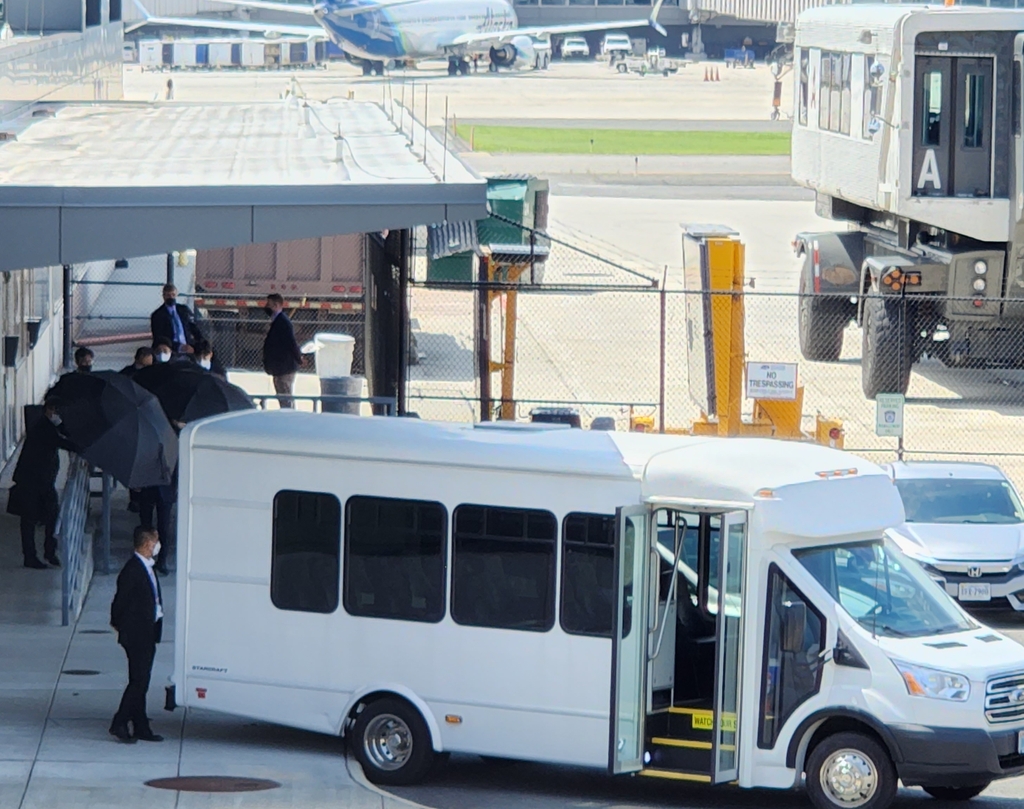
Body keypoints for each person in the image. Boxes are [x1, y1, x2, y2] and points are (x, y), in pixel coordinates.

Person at [109, 526, 164, 744]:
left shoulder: (147, 567)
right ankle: (120, 721)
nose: (158, 545)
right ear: (147, 543)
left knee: (142, 680)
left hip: (148, 632)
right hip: (137, 635)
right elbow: (119, 603)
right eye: (155, 541)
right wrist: (123, 627)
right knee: (138, 681)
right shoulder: (132, 570)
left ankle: (141, 725)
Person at [7, 398, 75, 569]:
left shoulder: (47, 426)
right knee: (30, 519)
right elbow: (64, 442)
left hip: (42, 481)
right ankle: (33, 556)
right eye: (55, 412)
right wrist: (84, 449)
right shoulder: (43, 428)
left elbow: (64, 433)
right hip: (32, 481)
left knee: (50, 515)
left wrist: (61, 425)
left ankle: (48, 552)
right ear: (48, 411)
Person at [262, 293, 303, 409]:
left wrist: (299, 359)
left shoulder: (283, 322)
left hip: (285, 367)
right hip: (280, 366)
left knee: (285, 394)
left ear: (276, 305)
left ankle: (290, 416)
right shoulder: (278, 321)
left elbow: (291, 343)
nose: (266, 307)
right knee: (282, 394)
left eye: (268, 304)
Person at [150, 284, 201, 356]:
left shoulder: (183, 310)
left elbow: (192, 327)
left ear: (176, 295)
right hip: (170, 349)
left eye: (173, 295)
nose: (171, 297)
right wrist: (179, 347)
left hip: (188, 346)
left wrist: (201, 341)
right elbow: (159, 338)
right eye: (168, 295)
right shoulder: (157, 315)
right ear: (163, 296)